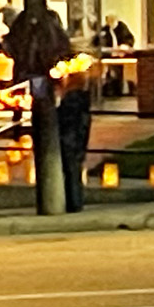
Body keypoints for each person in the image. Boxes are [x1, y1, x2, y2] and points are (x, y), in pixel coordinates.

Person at [55, 59, 93, 214]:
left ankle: (73, 202)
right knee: (74, 171)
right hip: (77, 139)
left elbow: (65, 118)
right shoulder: (82, 100)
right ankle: (75, 202)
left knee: (71, 172)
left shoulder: (72, 100)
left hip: (70, 139)